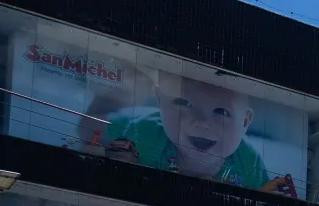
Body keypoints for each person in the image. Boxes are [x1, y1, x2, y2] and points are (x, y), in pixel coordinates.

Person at [103, 69, 270, 187]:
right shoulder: (142, 134)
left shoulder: (249, 162)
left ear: (245, 122)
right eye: (184, 103)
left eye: (221, 112)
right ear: (160, 100)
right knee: (94, 121)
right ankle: (110, 99)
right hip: (119, 121)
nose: (203, 122)